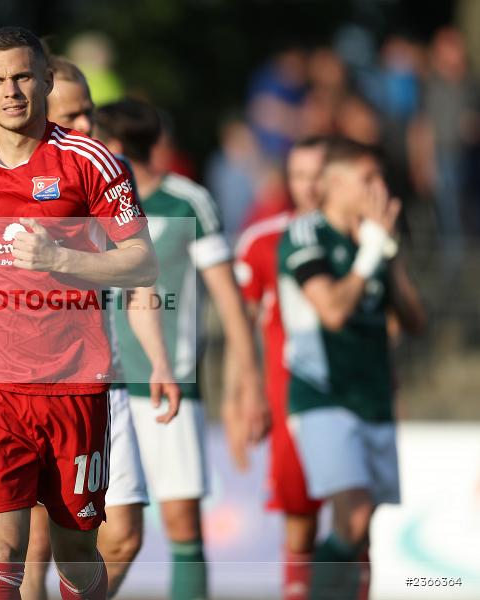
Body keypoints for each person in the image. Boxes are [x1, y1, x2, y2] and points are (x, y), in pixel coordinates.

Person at [0, 27, 158, 600]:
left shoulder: (90, 162)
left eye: (24, 76)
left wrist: (59, 257)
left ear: (48, 79)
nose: (12, 91)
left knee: (76, 556)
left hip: (73, 385)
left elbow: (142, 261)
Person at [96, 99, 269, 600]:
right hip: (101, 384)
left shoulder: (187, 201)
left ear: (117, 145)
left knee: (181, 522)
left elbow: (229, 300)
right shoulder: (92, 202)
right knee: (105, 530)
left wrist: (248, 382)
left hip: (170, 386)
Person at [21, 56, 177, 600]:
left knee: (123, 535)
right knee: (34, 545)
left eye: (89, 112)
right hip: (31, 381)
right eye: (73, 116)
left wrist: (158, 361)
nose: (89, 126)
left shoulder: (115, 172)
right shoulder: (5, 174)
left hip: (102, 379)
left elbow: (140, 277)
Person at [277, 138, 425, 600]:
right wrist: (367, 256)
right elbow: (333, 311)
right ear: (335, 184)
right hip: (324, 395)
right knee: (353, 515)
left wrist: (387, 252)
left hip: (373, 396)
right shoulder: (306, 234)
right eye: (368, 179)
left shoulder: (373, 237)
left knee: (363, 533)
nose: (379, 187)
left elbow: (414, 320)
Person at [234, 137, 327, 600]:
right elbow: (239, 329)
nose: (308, 186)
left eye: (318, 175)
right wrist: (242, 397)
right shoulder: (264, 242)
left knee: (356, 522)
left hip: (356, 399)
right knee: (300, 522)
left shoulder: (366, 239)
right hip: (291, 403)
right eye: (299, 175)